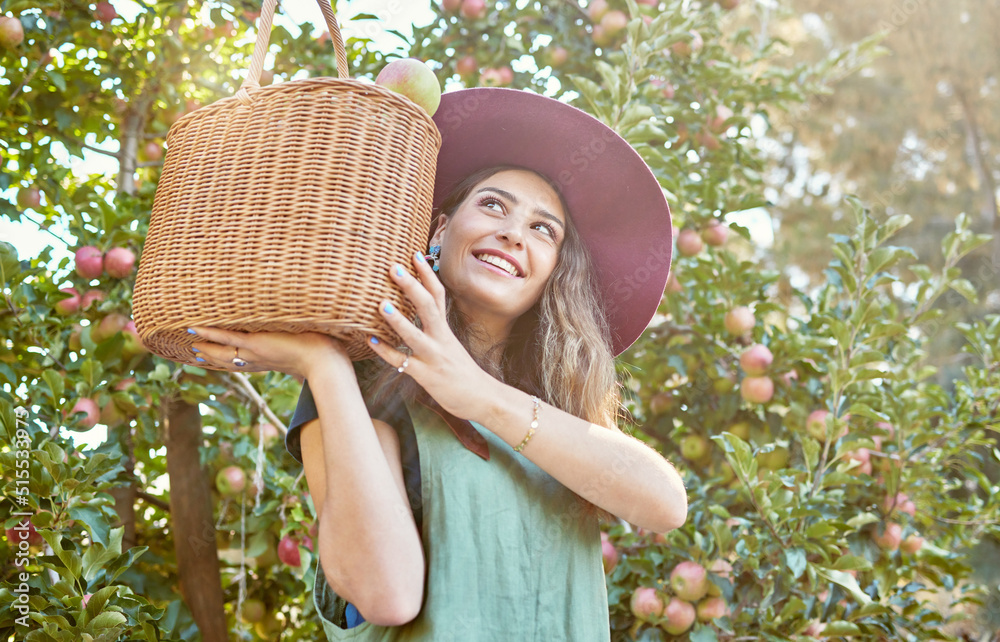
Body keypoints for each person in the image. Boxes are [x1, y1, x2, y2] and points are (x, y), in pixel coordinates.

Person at [186, 87, 687, 640]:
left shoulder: (553, 401)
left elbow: (664, 505)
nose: (513, 233)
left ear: (553, 272)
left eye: (544, 229)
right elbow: (386, 595)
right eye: (493, 204)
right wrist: (323, 364)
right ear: (441, 229)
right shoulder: (366, 377)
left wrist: (479, 396)